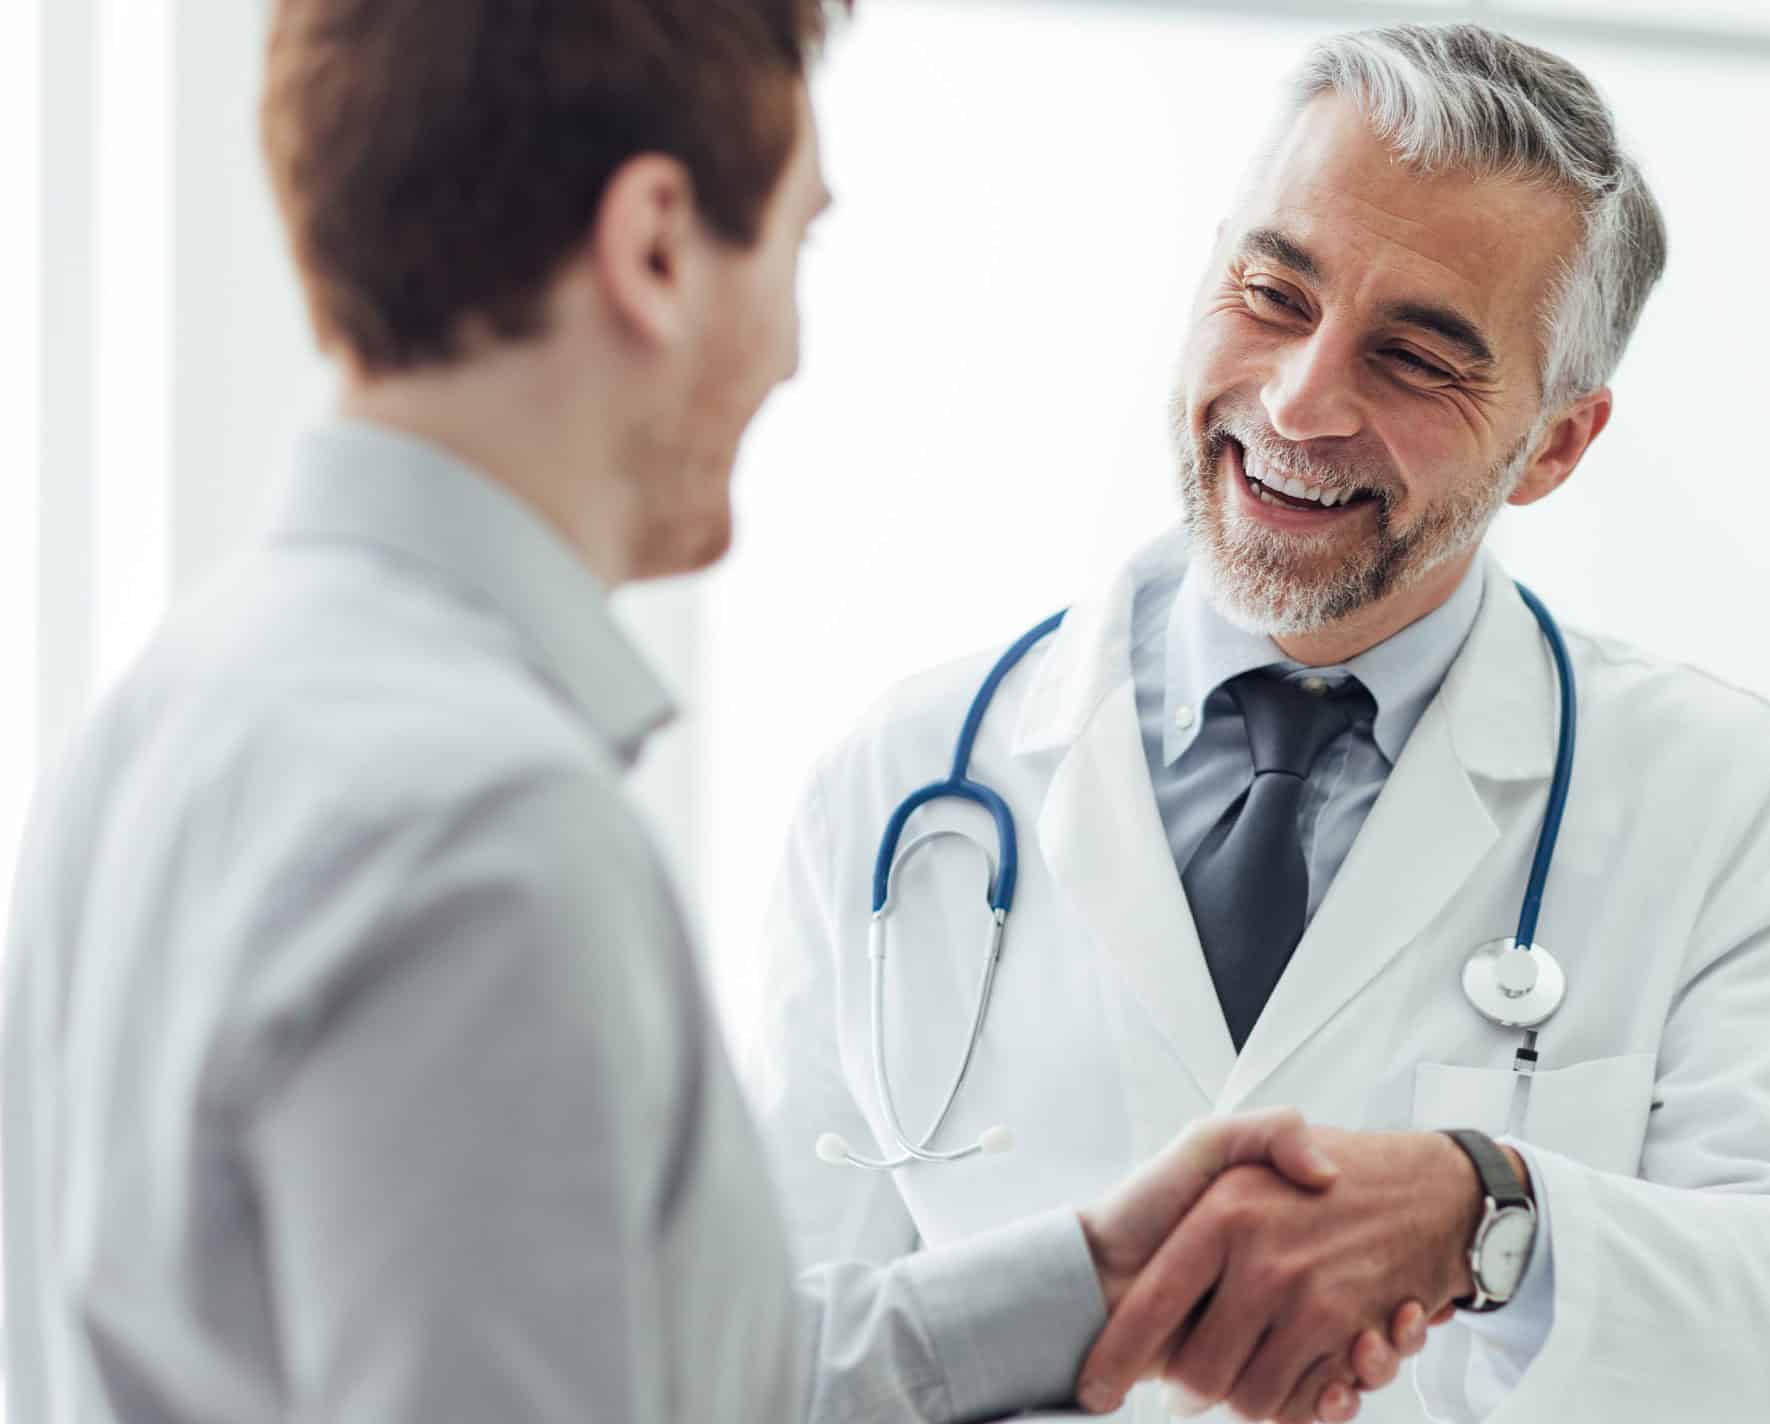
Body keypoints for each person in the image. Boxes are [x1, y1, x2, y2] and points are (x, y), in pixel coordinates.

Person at [0, 2, 1429, 1420]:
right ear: (657, 247)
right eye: (798, 240)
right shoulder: (485, 829)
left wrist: (1095, 1285)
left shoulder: (178, 701)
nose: (794, 348)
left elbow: (654, 1372)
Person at [751, 21, 1770, 1424]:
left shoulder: (1712, 793)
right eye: (1272, 292)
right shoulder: (902, 782)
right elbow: (765, 1351)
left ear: (1555, 442)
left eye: (1418, 359)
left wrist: (1490, 1214)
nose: (1304, 397)